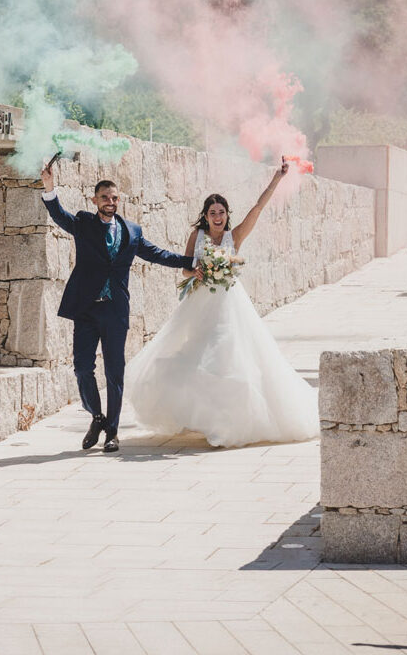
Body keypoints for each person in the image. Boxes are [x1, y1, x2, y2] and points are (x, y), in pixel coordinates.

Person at [126, 162, 320, 447]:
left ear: (227, 215)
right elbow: (185, 267)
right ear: (205, 216)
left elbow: (258, 207)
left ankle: (225, 424)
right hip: (201, 304)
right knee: (195, 356)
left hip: (229, 305)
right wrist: (196, 272)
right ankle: (206, 418)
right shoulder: (198, 236)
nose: (217, 217)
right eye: (212, 213)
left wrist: (277, 179)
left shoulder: (234, 236)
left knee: (224, 357)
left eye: (221, 212)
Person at [40, 165, 191, 453]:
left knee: (114, 372)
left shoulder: (131, 231)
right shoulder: (84, 223)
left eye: (114, 198)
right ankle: (96, 416)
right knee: (83, 368)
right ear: (94, 200)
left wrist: (191, 262)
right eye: (105, 197)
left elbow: (157, 254)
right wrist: (49, 187)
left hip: (115, 311)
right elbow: (59, 215)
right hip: (86, 309)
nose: (110, 202)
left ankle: (112, 431)